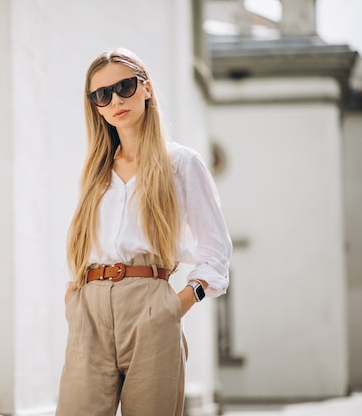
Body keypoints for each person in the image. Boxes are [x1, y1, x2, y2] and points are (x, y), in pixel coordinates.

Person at [56, 48, 232, 416]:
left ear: (146, 88)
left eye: (125, 86)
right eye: (102, 95)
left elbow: (215, 248)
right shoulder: (96, 172)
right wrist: (75, 298)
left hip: (151, 304)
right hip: (89, 306)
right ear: (96, 107)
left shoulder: (180, 163)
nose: (116, 100)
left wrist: (176, 304)